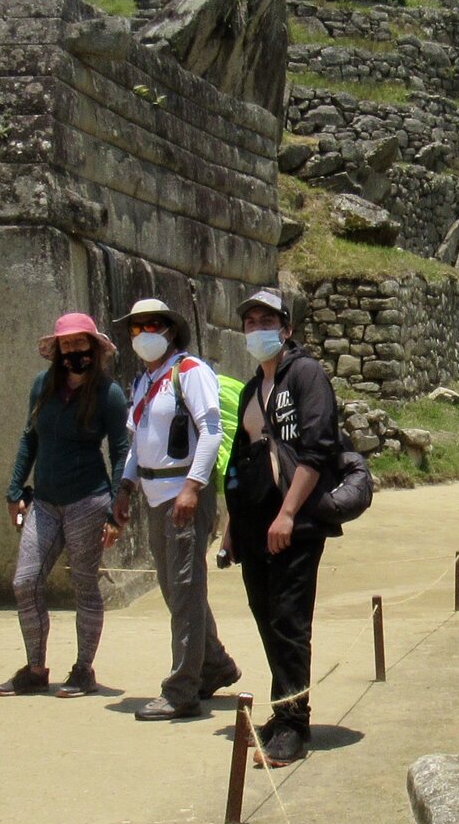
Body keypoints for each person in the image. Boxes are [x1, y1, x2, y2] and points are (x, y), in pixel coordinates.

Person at [220, 288, 339, 764]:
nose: (256, 329)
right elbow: (240, 462)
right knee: (266, 616)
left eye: (265, 321)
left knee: (290, 621)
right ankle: (282, 707)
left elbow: (316, 449)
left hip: (296, 521)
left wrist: (288, 512)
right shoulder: (252, 390)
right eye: (249, 322)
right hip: (254, 524)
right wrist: (232, 527)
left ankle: (294, 724)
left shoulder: (306, 375)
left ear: (286, 329)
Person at [116, 296, 240, 721]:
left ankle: (182, 688)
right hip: (153, 492)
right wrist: (125, 486)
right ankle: (214, 663)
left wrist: (192, 486)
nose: (144, 334)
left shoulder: (190, 372)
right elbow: (137, 442)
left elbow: (210, 431)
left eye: (152, 326)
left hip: (183, 491)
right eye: (136, 328)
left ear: (170, 331)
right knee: (175, 587)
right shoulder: (143, 382)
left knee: (185, 586)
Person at [0, 311, 129, 698]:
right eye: (66, 344)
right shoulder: (42, 386)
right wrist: (14, 488)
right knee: (25, 581)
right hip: (44, 500)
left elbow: (121, 450)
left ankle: (83, 668)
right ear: (57, 350)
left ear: (94, 347)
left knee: (84, 583)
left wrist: (116, 508)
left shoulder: (109, 393)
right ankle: (35, 667)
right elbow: (29, 439)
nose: (73, 351)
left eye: (79, 343)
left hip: (88, 499)